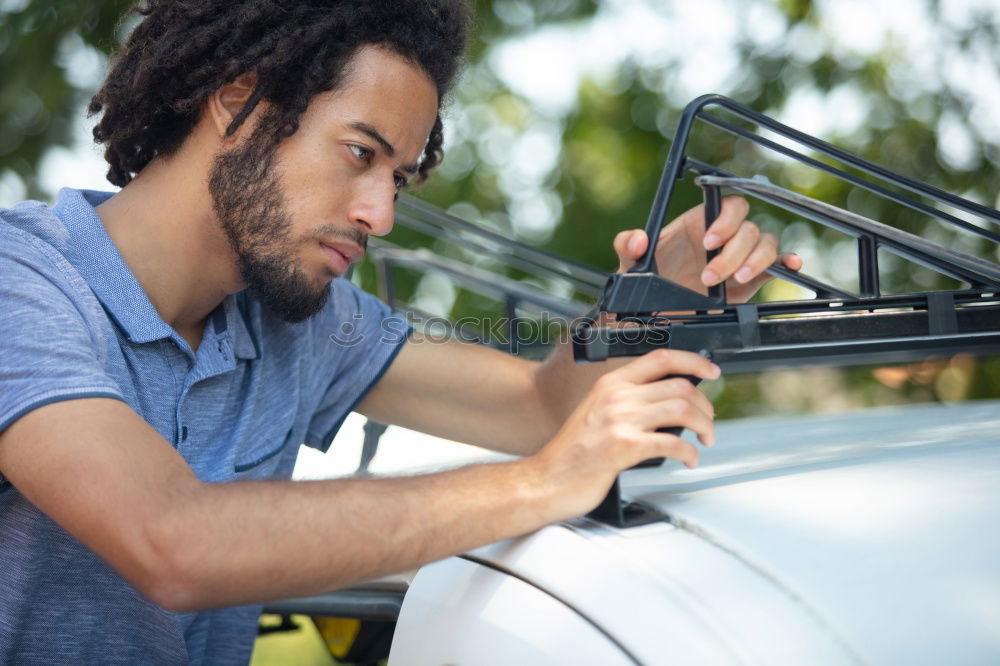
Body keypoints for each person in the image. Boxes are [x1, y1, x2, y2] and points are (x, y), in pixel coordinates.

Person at [0, 0, 800, 663]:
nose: (378, 214)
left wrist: (660, 290)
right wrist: (547, 482)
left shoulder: (294, 316)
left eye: (398, 178)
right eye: (359, 153)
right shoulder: (23, 284)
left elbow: (538, 406)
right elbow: (170, 540)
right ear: (237, 101)